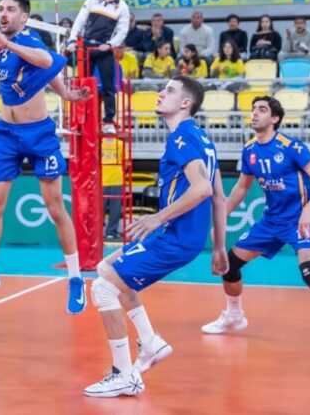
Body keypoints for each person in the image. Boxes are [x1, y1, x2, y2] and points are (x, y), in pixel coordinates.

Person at [84, 76, 226, 398]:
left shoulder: (183, 137)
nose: (162, 93)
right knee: (109, 270)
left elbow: (203, 190)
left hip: (174, 236)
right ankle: (149, 343)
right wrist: (219, 247)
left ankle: (124, 376)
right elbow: (219, 197)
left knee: (103, 288)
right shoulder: (202, 138)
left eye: (171, 91)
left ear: (186, 103)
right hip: (176, 234)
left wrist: (156, 218)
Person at [0, 0, 90, 313]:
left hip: (39, 134)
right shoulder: (3, 45)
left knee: (55, 207)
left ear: (24, 17)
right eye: (0, 9)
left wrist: (8, 45)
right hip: (6, 133)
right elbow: (47, 76)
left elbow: (45, 61)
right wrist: (68, 95)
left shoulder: (27, 39)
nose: (3, 14)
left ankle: (76, 279)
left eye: (10, 10)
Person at [200, 97, 310, 353]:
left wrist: (309, 210)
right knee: (229, 266)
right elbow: (242, 188)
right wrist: (221, 220)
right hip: (270, 221)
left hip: (299, 220)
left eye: (261, 110)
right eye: (253, 109)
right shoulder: (250, 149)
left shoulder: (292, 147)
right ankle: (234, 316)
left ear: (274, 118)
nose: (254, 113)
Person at [67, 0, 129, 134]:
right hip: (86, 48)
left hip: (105, 48)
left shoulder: (122, 7)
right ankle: (81, 119)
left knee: (108, 86)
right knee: (82, 84)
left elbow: (122, 32)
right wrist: (72, 40)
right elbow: (79, 21)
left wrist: (110, 44)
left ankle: (108, 121)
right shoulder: (92, 0)